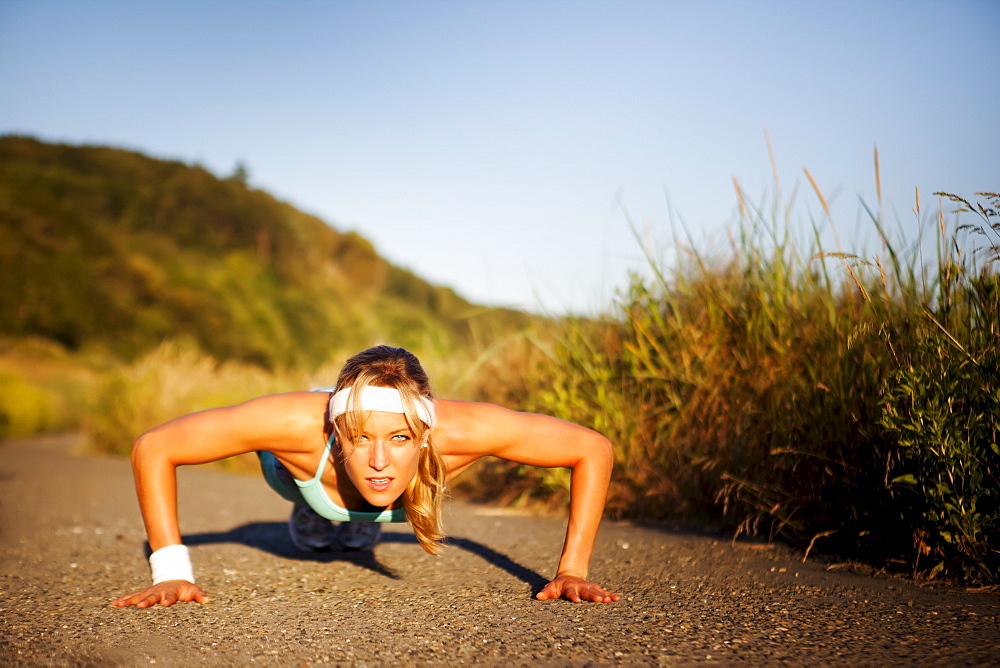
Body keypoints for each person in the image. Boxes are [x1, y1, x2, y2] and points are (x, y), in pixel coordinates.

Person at [112, 345, 620, 608]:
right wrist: (172, 571)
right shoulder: (295, 424)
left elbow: (591, 449)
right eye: (360, 438)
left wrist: (571, 569)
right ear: (337, 431)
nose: (380, 460)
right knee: (322, 514)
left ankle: (362, 516)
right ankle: (318, 504)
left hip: (389, 479)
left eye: (399, 438)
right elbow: (154, 447)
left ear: (423, 433)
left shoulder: (462, 432)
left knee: (371, 500)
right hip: (299, 473)